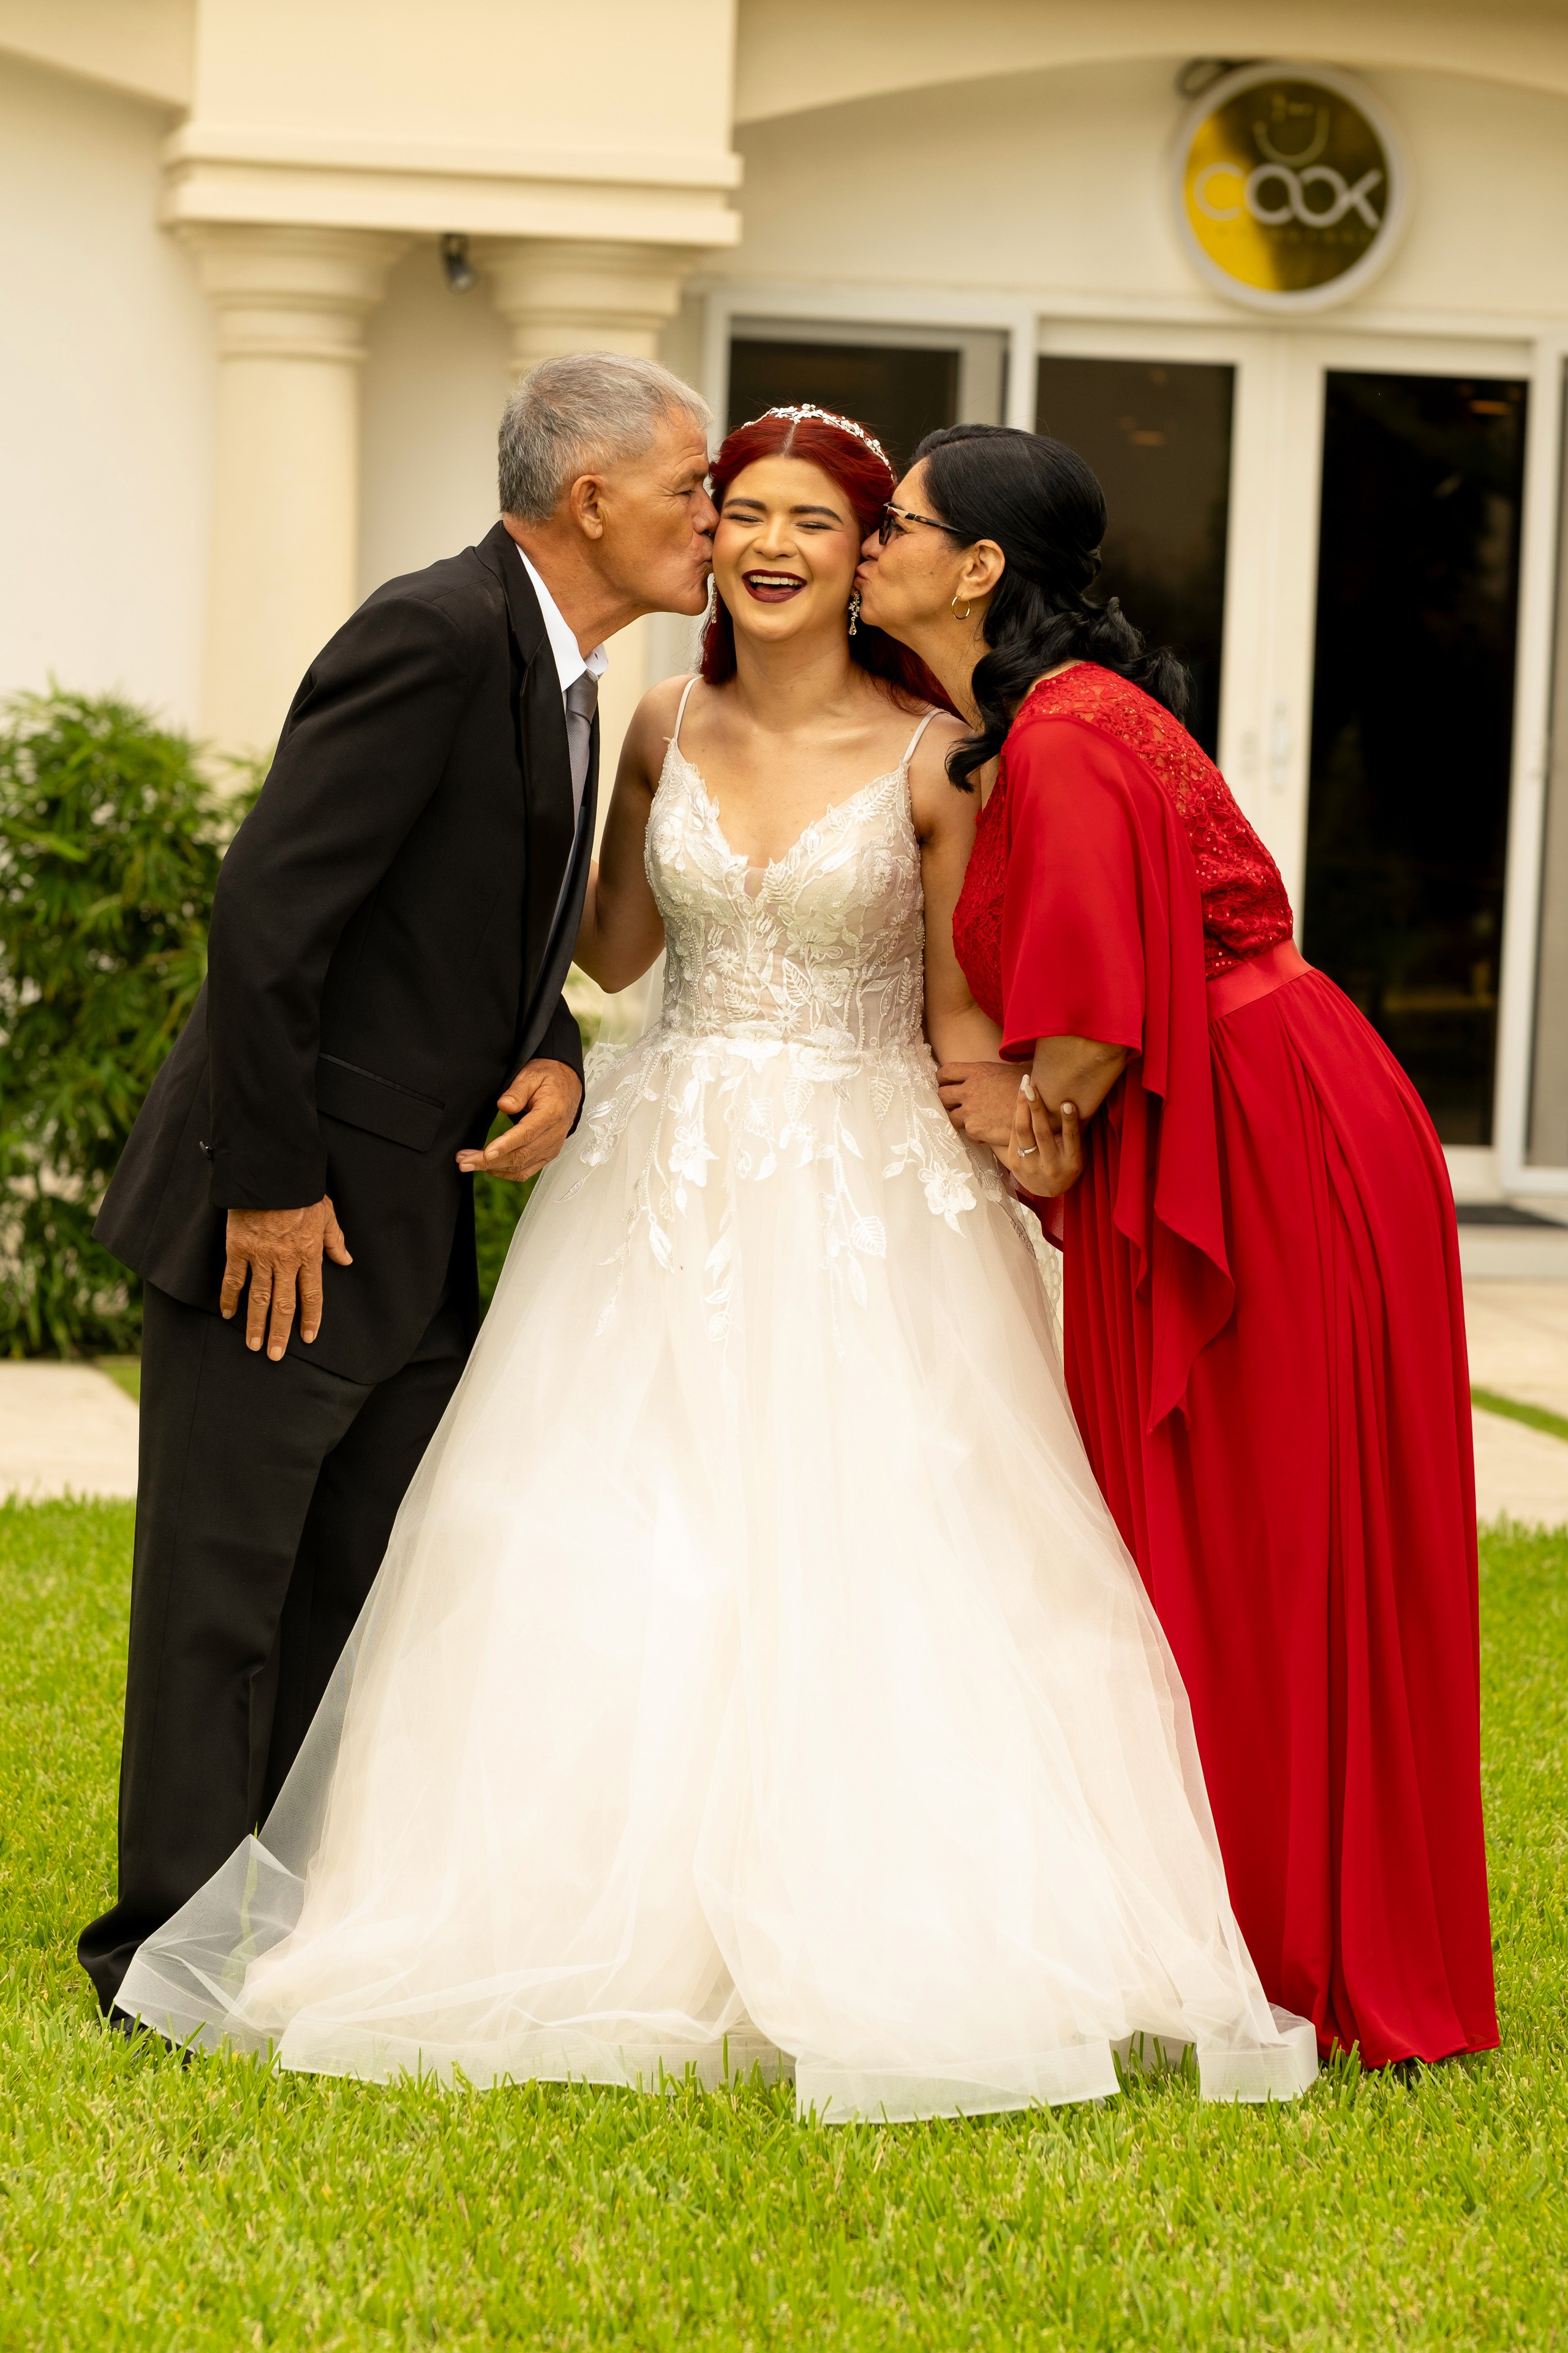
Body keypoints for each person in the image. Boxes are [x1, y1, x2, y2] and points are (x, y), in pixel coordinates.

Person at [116, 406, 1315, 2123]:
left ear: (867, 559)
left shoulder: (936, 756)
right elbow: (601, 942)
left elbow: (960, 1015)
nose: (762, 543)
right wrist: (540, 1041)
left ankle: (884, 1915)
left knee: (877, 1544)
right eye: (735, 510)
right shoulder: (658, 718)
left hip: (862, 1178)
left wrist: (1037, 1139)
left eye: (812, 523)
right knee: (595, 1533)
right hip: (658, 1165)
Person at [79, 354, 718, 2025]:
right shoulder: (433, 633)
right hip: (284, 1215)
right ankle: (167, 1951)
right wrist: (271, 1194)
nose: (714, 522)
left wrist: (560, 1055)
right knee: (226, 1591)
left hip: (415, 1229)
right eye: (693, 488)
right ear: (591, 500)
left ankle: (282, 1920)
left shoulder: (567, 672)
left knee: (351, 1589)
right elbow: (271, 918)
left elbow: (483, 925)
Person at [858, 421, 1498, 2071]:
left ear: (980, 568)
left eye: (897, 522)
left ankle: (1296, 1934)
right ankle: (1286, 1912)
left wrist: (1035, 1114)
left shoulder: (1066, 732)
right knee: (1270, 1527)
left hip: (1258, 1129)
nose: (870, 542)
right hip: (1265, 1098)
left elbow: (1089, 1014)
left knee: (1266, 1523)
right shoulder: (1044, 721)